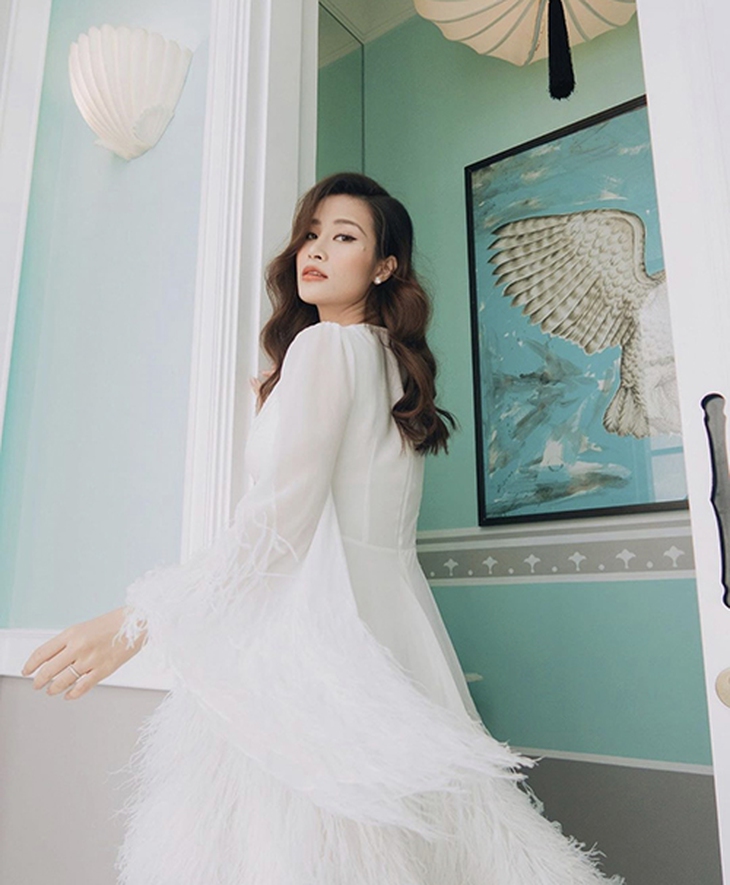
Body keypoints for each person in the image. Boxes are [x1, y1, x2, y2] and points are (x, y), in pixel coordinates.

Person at [22, 172, 623, 884]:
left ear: (384, 266)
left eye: (344, 237)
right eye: (311, 234)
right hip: (394, 631)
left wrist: (135, 621)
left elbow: (278, 522)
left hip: (321, 647)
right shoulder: (388, 362)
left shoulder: (325, 350)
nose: (316, 250)